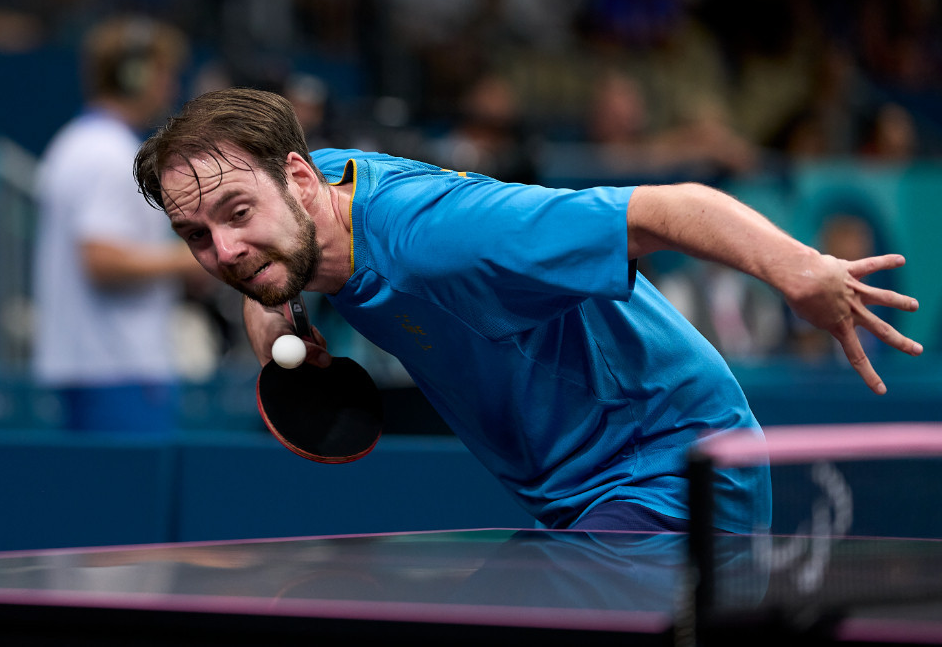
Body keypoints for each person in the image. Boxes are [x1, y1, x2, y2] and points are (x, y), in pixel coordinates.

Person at [132, 88, 923, 532]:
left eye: (236, 214)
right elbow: (254, 246)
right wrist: (275, 314)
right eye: (194, 234)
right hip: (574, 493)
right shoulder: (311, 195)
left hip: (671, 470)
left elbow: (670, 206)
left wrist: (801, 268)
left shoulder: (447, 236)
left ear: (300, 181)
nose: (224, 250)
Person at [32, 17, 204, 434]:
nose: (172, 87)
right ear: (135, 75)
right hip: (119, 369)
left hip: (98, 367)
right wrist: (202, 259)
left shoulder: (79, 144)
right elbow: (102, 261)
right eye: (164, 73)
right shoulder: (108, 154)